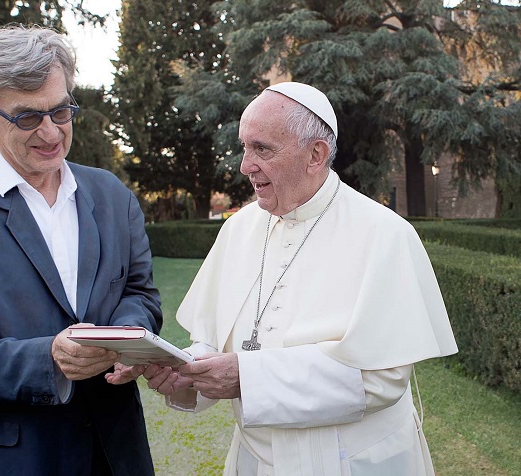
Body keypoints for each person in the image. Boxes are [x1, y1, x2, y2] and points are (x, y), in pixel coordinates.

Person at [115, 82, 458, 475]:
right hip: (256, 461)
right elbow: (213, 338)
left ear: (316, 155)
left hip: (357, 462)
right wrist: (184, 369)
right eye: (244, 147)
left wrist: (246, 377)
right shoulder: (238, 228)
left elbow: (381, 380)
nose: (245, 166)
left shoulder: (385, 234)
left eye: (262, 149)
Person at [0, 24, 161, 475]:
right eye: (27, 117)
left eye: (61, 111)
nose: (51, 133)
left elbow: (139, 293)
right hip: (11, 459)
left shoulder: (112, 194)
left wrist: (125, 340)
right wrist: (49, 359)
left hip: (115, 452)